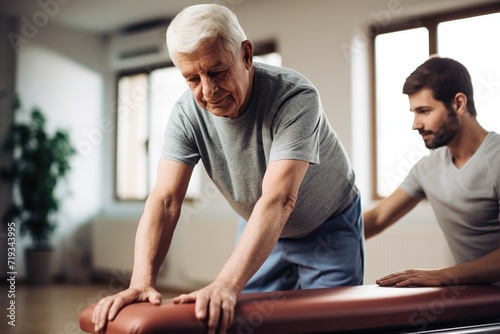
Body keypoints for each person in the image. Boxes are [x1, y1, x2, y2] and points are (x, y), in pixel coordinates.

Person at [92, 4, 364, 334]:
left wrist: (225, 282)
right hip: (260, 225)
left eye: (217, 72)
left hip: (327, 225)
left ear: (246, 54)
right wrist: (141, 282)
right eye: (192, 78)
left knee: (331, 327)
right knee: (247, 325)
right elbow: (165, 200)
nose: (207, 91)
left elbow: (279, 200)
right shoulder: (186, 114)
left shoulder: (294, 97)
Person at [364, 56, 500, 288]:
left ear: (458, 104)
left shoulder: (496, 160)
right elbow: (377, 218)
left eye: (424, 111)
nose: (415, 124)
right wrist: (307, 235)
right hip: (476, 301)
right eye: (414, 113)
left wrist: (444, 275)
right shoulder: (428, 167)